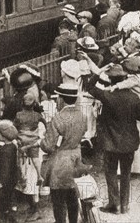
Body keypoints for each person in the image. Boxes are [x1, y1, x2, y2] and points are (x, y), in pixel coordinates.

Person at [86, 64, 140, 214]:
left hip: (110, 142)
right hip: (130, 142)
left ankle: (115, 204)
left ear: (111, 80)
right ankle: (124, 205)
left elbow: (89, 86)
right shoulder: (134, 97)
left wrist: (100, 71)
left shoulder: (107, 95)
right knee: (126, 174)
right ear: (124, 79)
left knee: (111, 172)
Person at [41, 84, 87, 223]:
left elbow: (49, 145)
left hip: (60, 161)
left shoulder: (58, 118)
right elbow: (83, 133)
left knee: (59, 199)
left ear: (61, 99)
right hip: (77, 158)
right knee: (73, 194)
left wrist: (41, 141)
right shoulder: (82, 116)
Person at [13, 93, 47, 187]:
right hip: (33, 141)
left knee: (20, 158)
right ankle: (40, 176)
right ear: (34, 104)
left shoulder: (18, 115)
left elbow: (14, 127)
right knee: (35, 159)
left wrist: (16, 137)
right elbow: (45, 123)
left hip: (22, 140)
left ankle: (23, 176)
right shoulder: (37, 115)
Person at [0, 120, 20, 219]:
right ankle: (10, 214)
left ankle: (6, 217)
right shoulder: (12, 146)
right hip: (12, 179)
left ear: (4, 135)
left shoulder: (4, 151)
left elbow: (5, 168)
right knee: (9, 199)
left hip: (5, 181)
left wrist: (0, 181)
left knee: (3, 201)